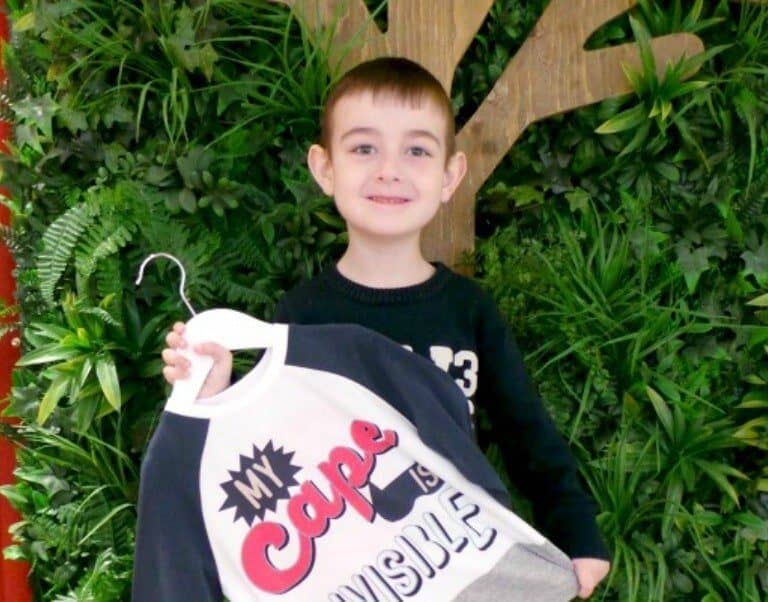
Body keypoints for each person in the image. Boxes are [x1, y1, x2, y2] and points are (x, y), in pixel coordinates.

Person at [162, 57, 610, 598]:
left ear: (449, 176)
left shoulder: (469, 309)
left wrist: (579, 534)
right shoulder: (303, 315)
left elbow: (528, 433)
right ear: (325, 168)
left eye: (417, 150)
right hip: (358, 575)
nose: (389, 170)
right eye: (364, 148)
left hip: (462, 562)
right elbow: (279, 454)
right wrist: (217, 395)